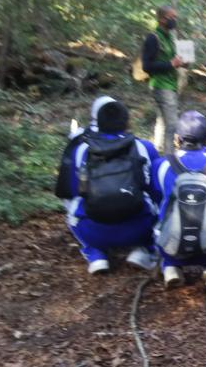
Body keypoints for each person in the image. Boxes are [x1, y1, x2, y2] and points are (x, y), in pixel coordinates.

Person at [65, 100, 160, 274]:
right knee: (156, 202)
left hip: (93, 230)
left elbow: (73, 191)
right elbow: (156, 191)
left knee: (72, 207)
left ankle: (95, 254)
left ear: (97, 123)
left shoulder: (81, 150)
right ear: (127, 123)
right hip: (140, 228)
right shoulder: (143, 147)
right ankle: (144, 249)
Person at [151, 111, 206, 288]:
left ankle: (170, 266)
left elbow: (157, 200)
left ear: (178, 139)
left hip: (171, 246)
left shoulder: (161, 165)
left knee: (161, 217)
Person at [142, 5, 185, 154]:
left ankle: (156, 153)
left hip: (171, 84)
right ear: (161, 19)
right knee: (172, 124)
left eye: (175, 17)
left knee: (162, 121)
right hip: (161, 86)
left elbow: (173, 60)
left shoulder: (171, 37)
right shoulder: (153, 38)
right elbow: (146, 66)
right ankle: (169, 158)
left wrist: (181, 62)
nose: (174, 20)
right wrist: (170, 64)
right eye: (171, 17)